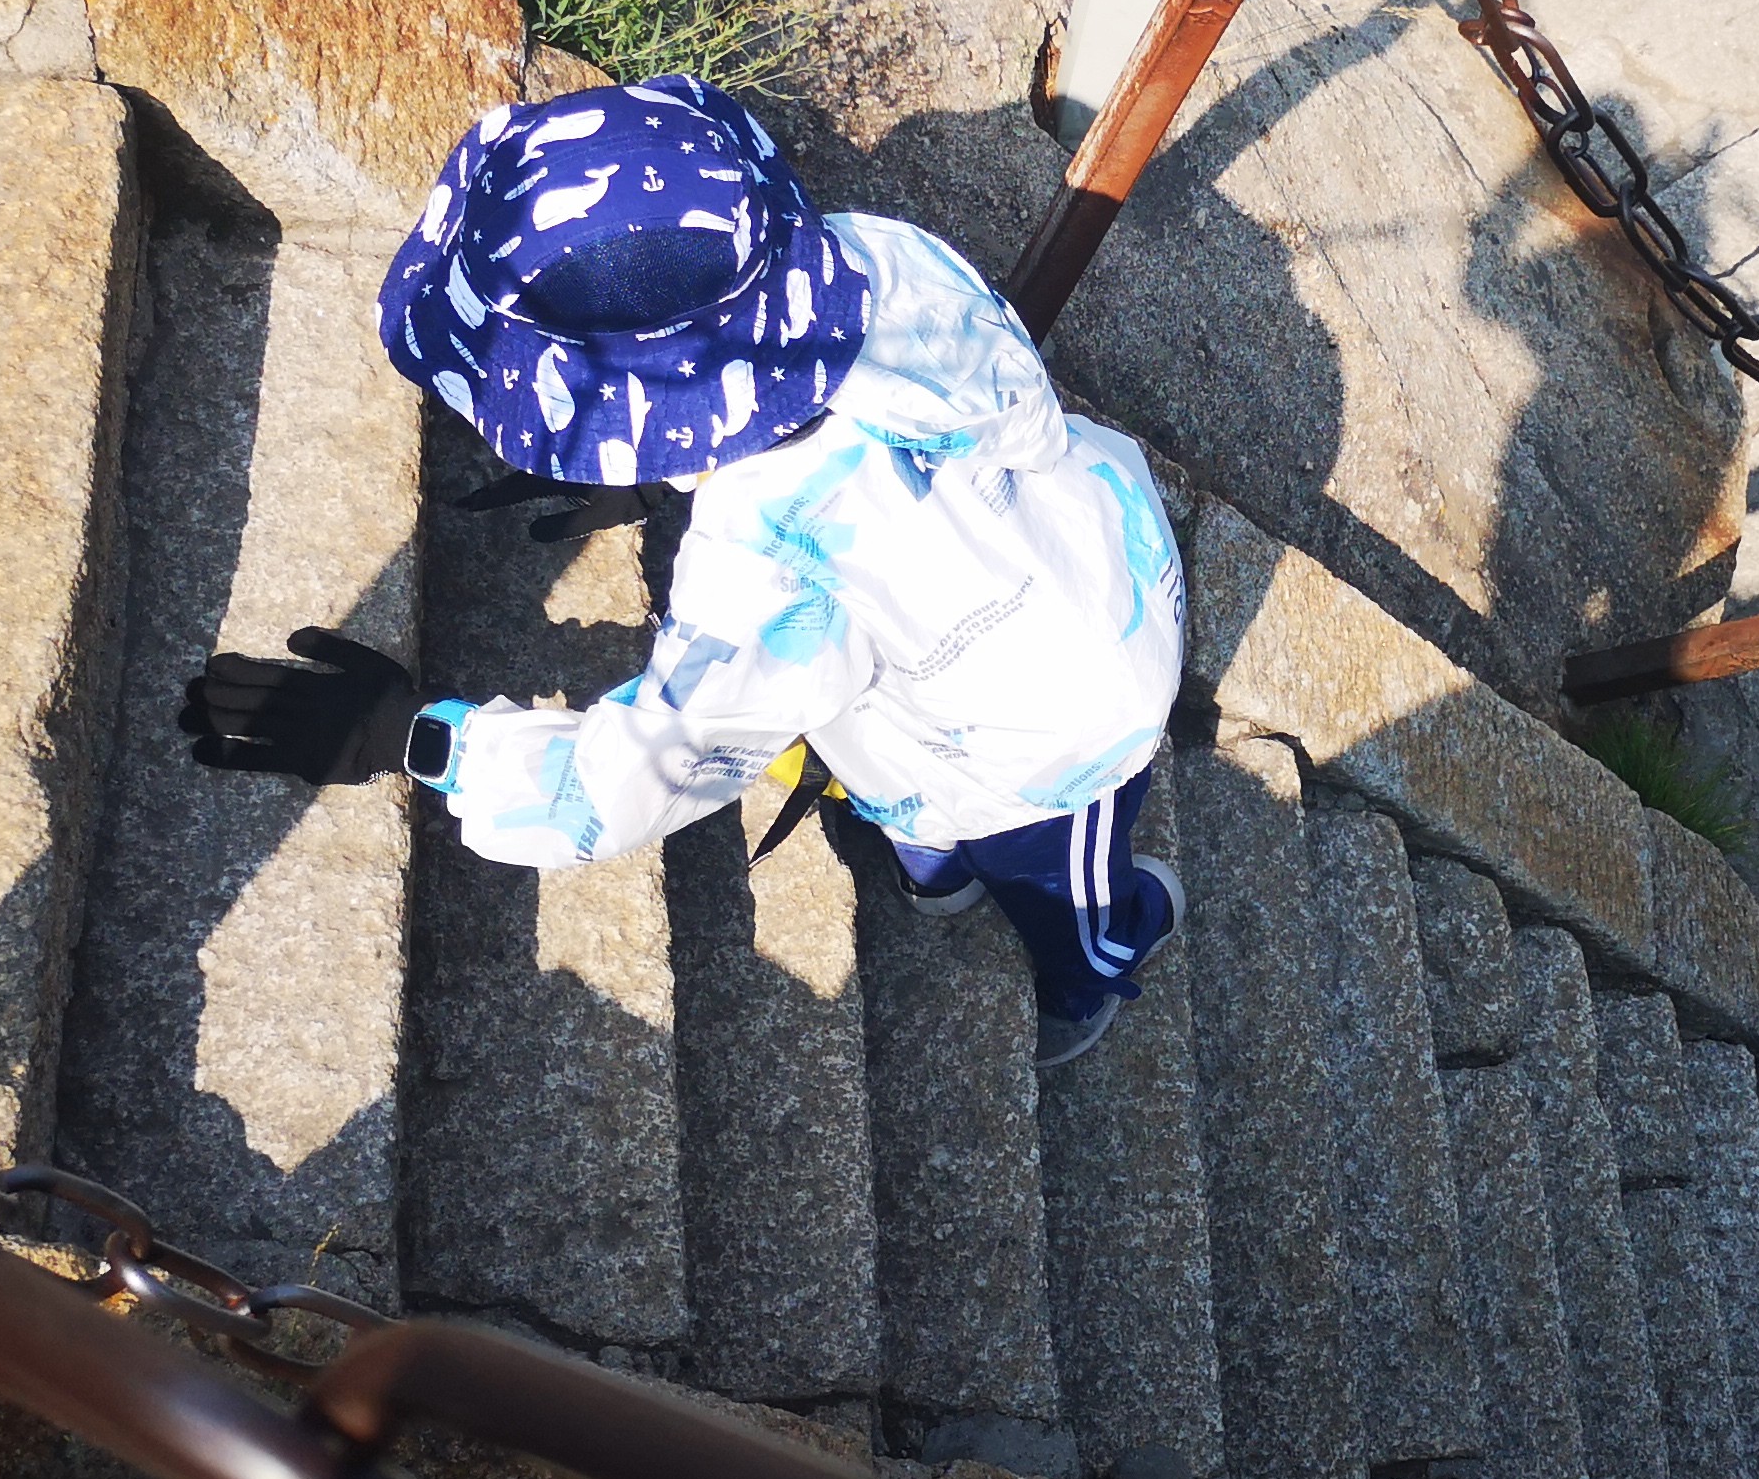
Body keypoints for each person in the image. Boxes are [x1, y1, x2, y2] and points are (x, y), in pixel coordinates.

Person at [180, 76, 1188, 1067]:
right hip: (1040, 563)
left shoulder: (766, 567)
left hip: (1064, 729)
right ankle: (936, 865)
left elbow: (646, 767)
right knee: (918, 802)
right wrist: (677, 461)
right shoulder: (870, 257)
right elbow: (807, 403)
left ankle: (1100, 960)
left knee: (1062, 887)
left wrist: (419, 739)